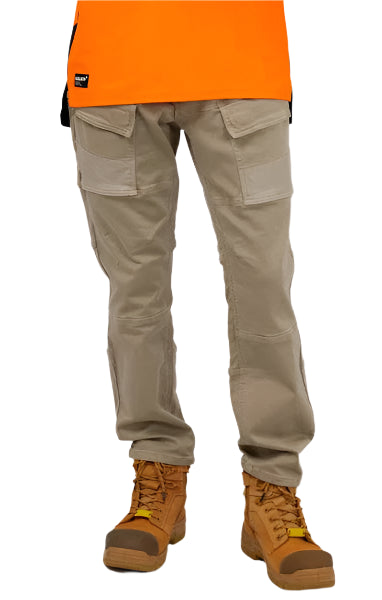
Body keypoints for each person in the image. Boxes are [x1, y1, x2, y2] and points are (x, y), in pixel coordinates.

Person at [61, 1, 334, 590]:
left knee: (264, 289)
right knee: (136, 298)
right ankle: (157, 472)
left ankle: (272, 489)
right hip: (114, 72)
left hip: (243, 68)